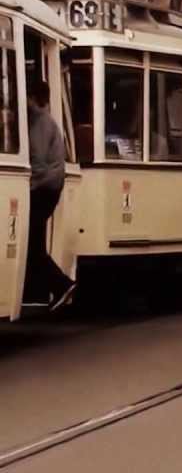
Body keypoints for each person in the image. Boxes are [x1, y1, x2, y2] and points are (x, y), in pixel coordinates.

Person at [22, 81, 74, 311]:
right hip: (48, 187)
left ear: (33, 98)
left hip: (43, 188)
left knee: (32, 245)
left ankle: (61, 284)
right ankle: (55, 286)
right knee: (33, 243)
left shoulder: (41, 123)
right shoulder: (44, 121)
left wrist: (28, 185)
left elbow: (38, 161)